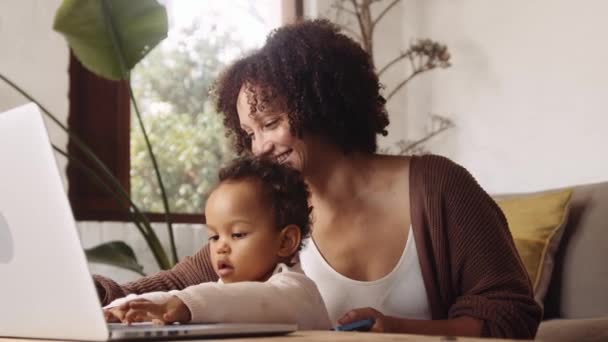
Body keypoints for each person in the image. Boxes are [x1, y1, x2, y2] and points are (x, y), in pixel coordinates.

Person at [95, 19, 541, 338]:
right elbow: (172, 285)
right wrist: (91, 290)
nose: (259, 148)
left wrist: (398, 330)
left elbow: (511, 316)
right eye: (249, 134)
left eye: (270, 123)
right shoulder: (274, 209)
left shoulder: (439, 187)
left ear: (323, 103)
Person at [102, 156, 330, 330]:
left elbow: (253, 300)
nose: (221, 246)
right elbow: (172, 297)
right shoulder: (218, 292)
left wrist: (182, 304)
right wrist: (121, 308)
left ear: (285, 241)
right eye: (214, 236)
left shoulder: (298, 292)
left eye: (238, 234)